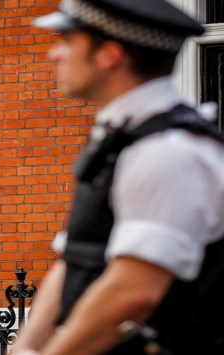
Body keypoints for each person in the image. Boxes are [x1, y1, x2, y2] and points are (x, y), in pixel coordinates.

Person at [11, 1, 224, 355]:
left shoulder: (168, 152)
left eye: (66, 40)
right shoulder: (121, 138)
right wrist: (26, 347)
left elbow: (133, 292)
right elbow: (76, 257)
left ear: (109, 54)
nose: (54, 54)